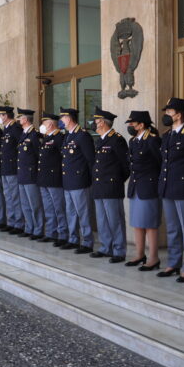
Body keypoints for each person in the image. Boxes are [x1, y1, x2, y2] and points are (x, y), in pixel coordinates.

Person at [157, 98, 184, 283]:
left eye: (169, 111)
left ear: (179, 114)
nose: (166, 114)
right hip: (168, 187)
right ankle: (174, 263)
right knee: (173, 229)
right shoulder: (167, 135)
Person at [90, 106, 129, 263]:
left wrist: (116, 181)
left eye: (96, 121)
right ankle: (106, 247)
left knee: (115, 220)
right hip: (99, 186)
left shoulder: (117, 140)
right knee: (102, 219)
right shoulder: (100, 140)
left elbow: (126, 166)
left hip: (112, 187)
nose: (94, 123)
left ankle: (119, 250)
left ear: (102, 122)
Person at [125, 111, 162, 271]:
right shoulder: (133, 141)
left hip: (149, 187)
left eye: (132, 123)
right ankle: (139, 254)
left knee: (150, 224)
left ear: (141, 125)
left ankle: (153, 257)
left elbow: (160, 163)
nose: (130, 126)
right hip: (135, 187)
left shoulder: (153, 140)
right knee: (137, 223)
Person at [60, 107, 96, 254]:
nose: (61, 121)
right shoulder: (68, 136)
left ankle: (87, 241)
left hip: (80, 181)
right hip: (68, 181)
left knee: (83, 213)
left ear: (69, 118)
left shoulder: (83, 136)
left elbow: (91, 160)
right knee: (71, 212)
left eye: (63, 118)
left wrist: (90, 179)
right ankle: (73, 239)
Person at [37, 112, 68, 246]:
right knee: (49, 208)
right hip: (44, 179)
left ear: (50, 124)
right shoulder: (46, 138)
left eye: (43, 123)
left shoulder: (59, 138)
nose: (42, 125)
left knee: (58, 208)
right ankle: (51, 233)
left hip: (55, 179)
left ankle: (63, 234)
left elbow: (63, 159)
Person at [15, 108, 44, 240]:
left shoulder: (34, 135)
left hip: (31, 175)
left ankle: (38, 229)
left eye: (20, 118)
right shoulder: (23, 134)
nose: (19, 120)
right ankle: (29, 227)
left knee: (34, 204)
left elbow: (39, 156)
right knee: (25, 204)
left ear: (26, 119)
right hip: (22, 174)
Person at [0, 105, 24, 234]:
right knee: (8, 197)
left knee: (15, 197)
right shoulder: (6, 129)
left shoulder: (15, 128)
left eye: (1, 115)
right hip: (5, 168)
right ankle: (11, 221)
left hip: (13, 168)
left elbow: (21, 147)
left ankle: (19, 223)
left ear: (6, 116)